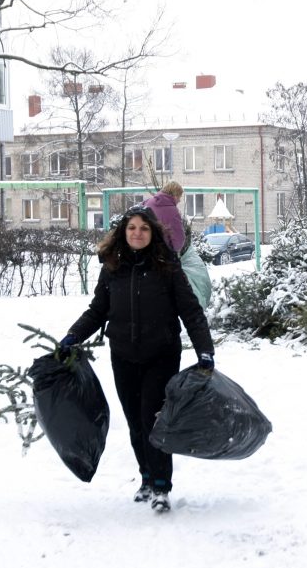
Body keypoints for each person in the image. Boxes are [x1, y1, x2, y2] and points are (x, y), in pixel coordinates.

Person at [59, 206, 215, 513]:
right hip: (123, 356)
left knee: (152, 419)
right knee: (134, 422)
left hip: (161, 354)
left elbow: (191, 311)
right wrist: (72, 336)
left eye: (144, 228)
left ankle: (161, 486)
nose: (137, 233)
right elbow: (97, 311)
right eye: (132, 228)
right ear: (123, 232)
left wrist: (205, 351)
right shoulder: (112, 267)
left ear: (153, 232)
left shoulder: (168, 267)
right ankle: (145, 477)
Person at [143, 181, 186, 253]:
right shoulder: (173, 211)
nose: (179, 200)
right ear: (175, 195)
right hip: (161, 253)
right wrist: (171, 252)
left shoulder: (147, 202)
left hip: (144, 249)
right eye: (179, 197)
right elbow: (179, 239)